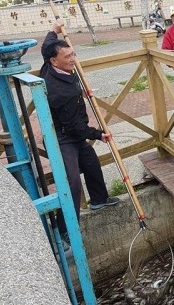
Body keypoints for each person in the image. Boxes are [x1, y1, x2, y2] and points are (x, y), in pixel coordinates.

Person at [41, 21, 119, 241]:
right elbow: (76, 127)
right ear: (54, 61)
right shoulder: (58, 91)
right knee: (72, 182)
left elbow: (47, 44)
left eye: (73, 55)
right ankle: (64, 229)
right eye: (68, 58)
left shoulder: (50, 60)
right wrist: (98, 134)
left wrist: (54, 30)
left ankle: (99, 200)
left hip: (72, 129)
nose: (73, 59)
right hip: (62, 137)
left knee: (92, 163)